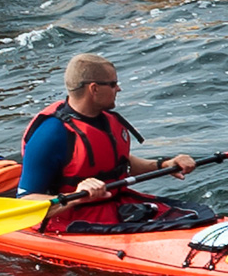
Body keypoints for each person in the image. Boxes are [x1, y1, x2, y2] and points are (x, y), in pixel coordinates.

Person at [18, 53, 197, 230]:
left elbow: (119, 163)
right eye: (112, 84)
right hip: (70, 218)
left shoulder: (105, 119)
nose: (118, 89)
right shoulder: (50, 134)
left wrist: (165, 165)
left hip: (116, 204)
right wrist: (76, 196)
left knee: (196, 215)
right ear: (94, 89)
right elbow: (25, 202)